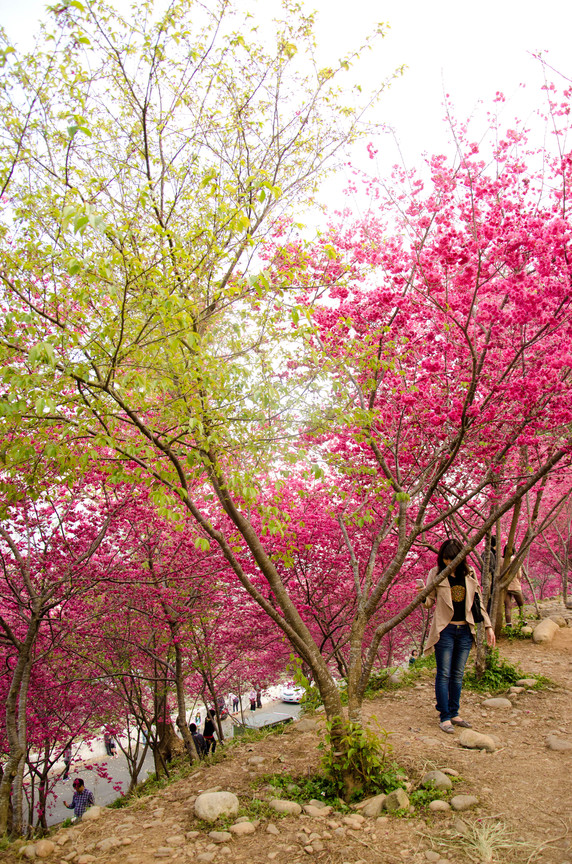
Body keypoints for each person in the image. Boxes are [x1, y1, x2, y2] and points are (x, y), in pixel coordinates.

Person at [421, 538, 496, 734]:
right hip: (445, 630)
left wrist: (488, 626)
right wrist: (423, 595)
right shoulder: (436, 574)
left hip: (465, 630)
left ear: (461, 557)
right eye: (445, 558)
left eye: (452, 558)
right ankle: (444, 716)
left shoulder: (470, 574)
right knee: (444, 674)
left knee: (457, 675)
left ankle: (454, 713)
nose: (449, 562)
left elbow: (478, 602)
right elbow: (429, 602)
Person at [503, 546, 527, 626]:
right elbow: (519, 575)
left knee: (507, 606)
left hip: (505, 586)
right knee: (521, 604)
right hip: (515, 585)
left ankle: (508, 623)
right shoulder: (516, 561)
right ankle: (523, 620)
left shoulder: (500, 560)